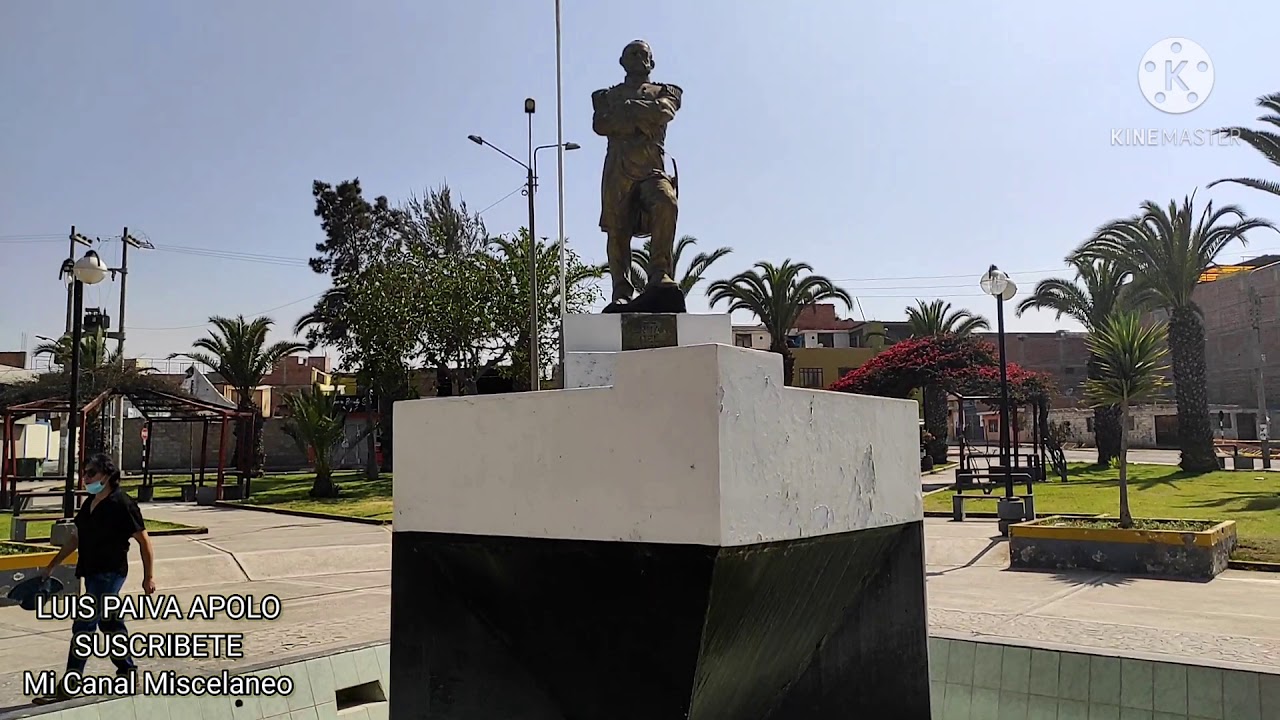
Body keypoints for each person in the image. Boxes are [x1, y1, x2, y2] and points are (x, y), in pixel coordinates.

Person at [32, 453, 156, 705]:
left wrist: (148, 578)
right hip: (90, 572)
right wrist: (52, 565)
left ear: (108, 476)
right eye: (85, 473)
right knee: (110, 625)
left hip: (111, 573)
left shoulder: (123, 504)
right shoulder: (89, 504)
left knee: (84, 625)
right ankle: (127, 671)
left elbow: (144, 542)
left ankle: (70, 683)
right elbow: (76, 539)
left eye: (91, 473)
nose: (85, 477)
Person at [592, 39, 684, 308]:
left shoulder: (667, 91)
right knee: (618, 230)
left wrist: (628, 113)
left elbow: (664, 112)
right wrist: (644, 117)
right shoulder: (605, 96)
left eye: (642, 53)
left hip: (653, 168)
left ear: (651, 62)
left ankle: (659, 272)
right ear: (622, 62)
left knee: (667, 202)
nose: (636, 57)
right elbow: (602, 123)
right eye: (630, 53)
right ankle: (621, 289)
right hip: (618, 170)